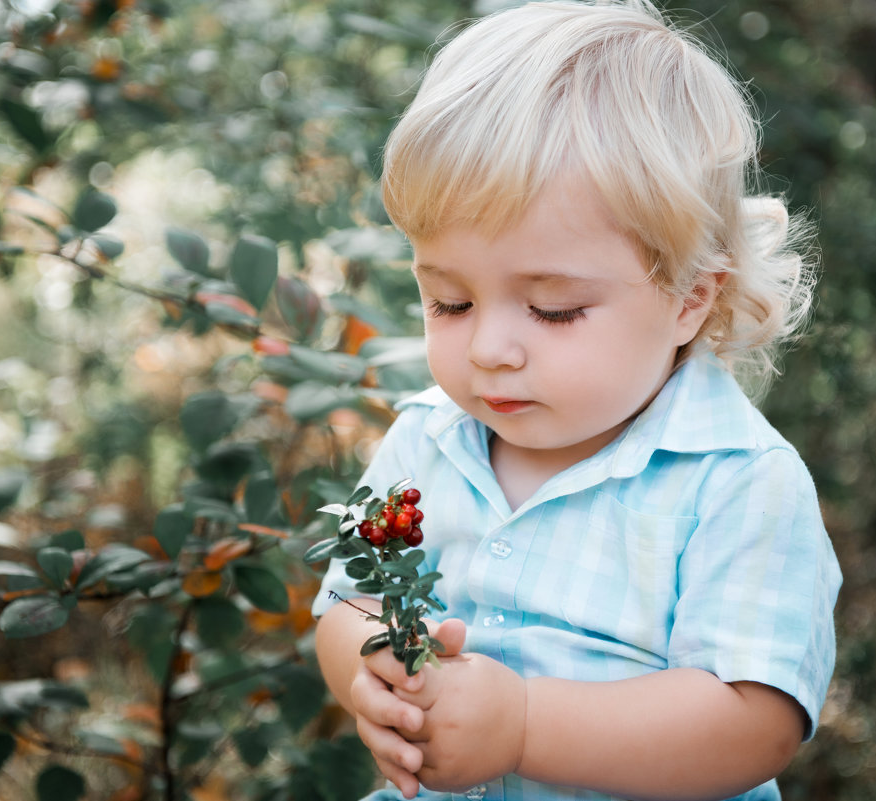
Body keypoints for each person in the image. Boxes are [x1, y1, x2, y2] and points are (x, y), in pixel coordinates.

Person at [312, 2, 841, 800]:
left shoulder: (738, 481)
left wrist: (523, 724)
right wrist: (375, 671)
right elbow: (348, 600)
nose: (490, 346)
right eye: (449, 302)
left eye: (553, 309)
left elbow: (753, 722)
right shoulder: (423, 438)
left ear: (691, 298)